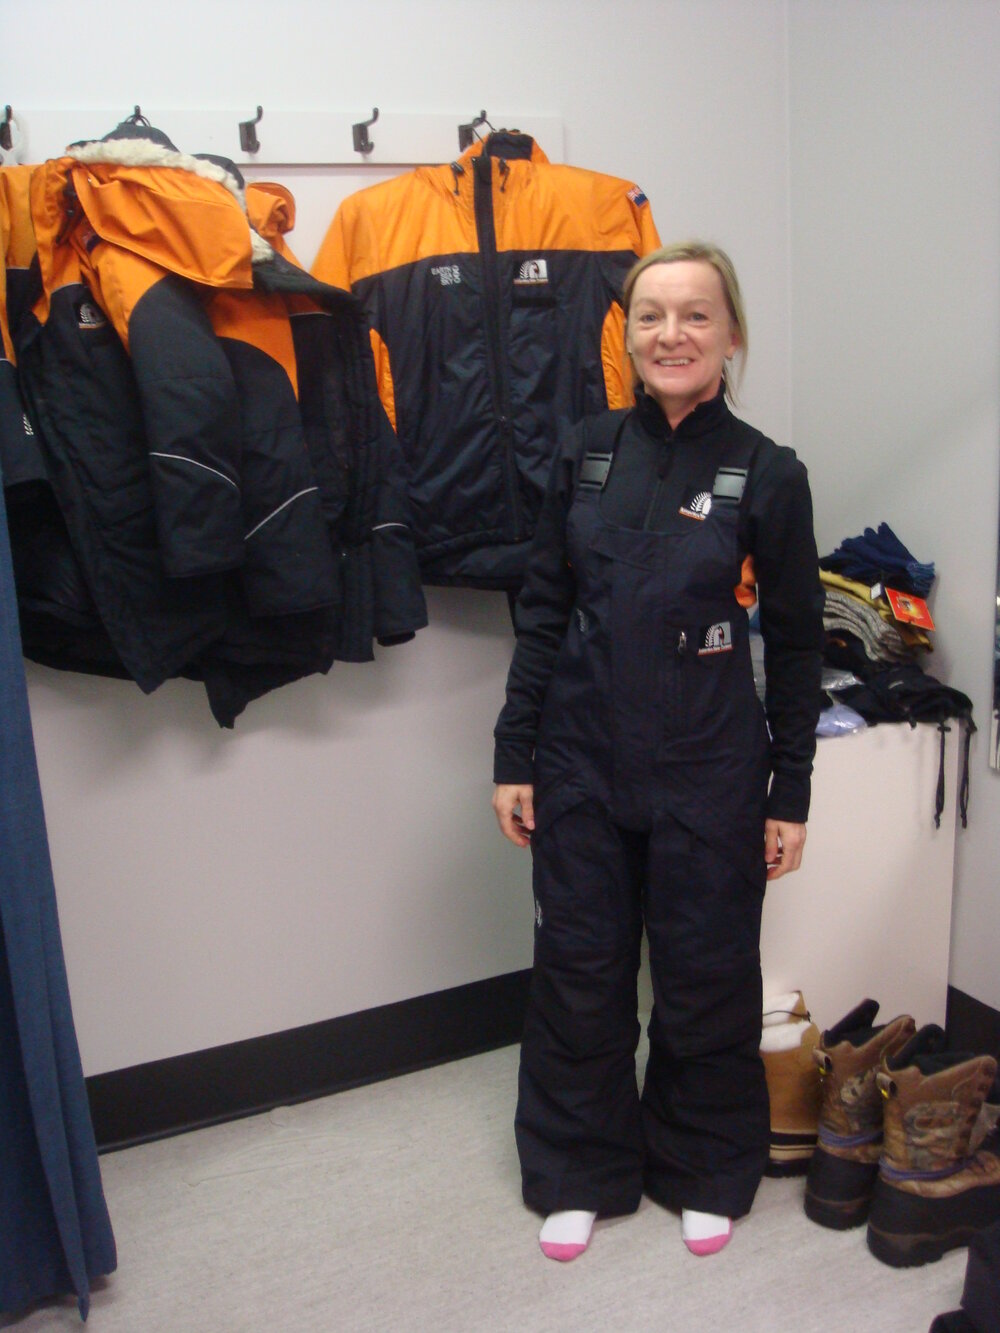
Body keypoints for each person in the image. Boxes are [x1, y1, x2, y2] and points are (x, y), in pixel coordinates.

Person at [491, 241, 824, 1262]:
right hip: (581, 762)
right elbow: (542, 612)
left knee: (705, 977)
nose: (671, 335)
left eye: (695, 315)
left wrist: (791, 790)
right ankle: (578, 1169)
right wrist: (514, 753)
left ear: (731, 336)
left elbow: (798, 642)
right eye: (650, 316)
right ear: (626, 334)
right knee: (578, 975)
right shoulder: (585, 452)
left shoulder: (767, 472)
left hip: (710, 770)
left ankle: (702, 1166)